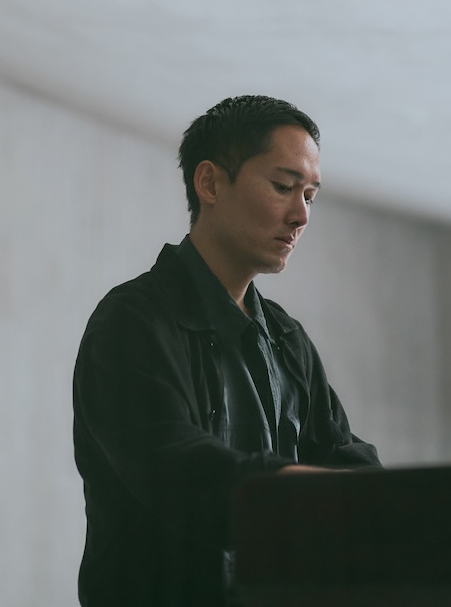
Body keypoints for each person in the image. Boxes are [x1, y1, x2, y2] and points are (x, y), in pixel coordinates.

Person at [72, 95, 380, 607]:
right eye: (283, 187)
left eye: (310, 195)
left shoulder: (287, 338)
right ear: (210, 183)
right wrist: (310, 493)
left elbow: (347, 459)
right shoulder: (130, 322)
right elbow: (180, 473)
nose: (301, 215)